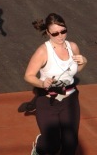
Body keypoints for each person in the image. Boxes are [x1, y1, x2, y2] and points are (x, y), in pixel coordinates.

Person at [24, 13, 87, 155]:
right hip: (48, 102)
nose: (60, 36)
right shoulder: (43, 52)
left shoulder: (73, 47)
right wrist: (42, 83)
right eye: (55, 33)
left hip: (69, 100)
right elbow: (28, 76)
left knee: (70, 144)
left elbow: (76, 69)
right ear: (48, 32)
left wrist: (84, 61)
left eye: (63, 31)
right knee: (52, 145)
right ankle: (40, 147)